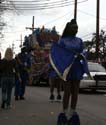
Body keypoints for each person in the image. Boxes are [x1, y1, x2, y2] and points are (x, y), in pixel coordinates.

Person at [49, 19, 91, 124]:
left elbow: (83, 51)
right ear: (69, 28)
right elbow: (59, 54)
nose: (76, 29)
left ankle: (72, 113)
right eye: (74, 27)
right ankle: (64, 113)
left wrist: (83, 54)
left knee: (75, 92)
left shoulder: (79, 40)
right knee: (67, 92)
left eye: (77, 28)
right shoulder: (62, 40)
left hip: (76, 68)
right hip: (66, 69)